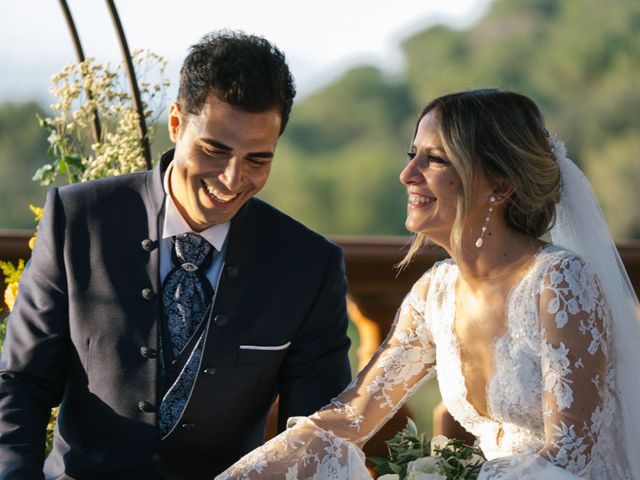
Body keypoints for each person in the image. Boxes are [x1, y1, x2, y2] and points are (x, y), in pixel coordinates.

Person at [217, 89, 640, 479]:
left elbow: (570, 455)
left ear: (499, 186)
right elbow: (352, 416)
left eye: (434, 159)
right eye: (412, 154)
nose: (407, 174)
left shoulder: (560, 282)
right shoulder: (435, 293)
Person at [0, 31, 352, 479]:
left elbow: (315, 434)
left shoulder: (309, 265)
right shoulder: (77, 219)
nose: (231, 179)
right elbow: (20, 382)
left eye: (257, 160)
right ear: (175, 123)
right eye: (214, 150)